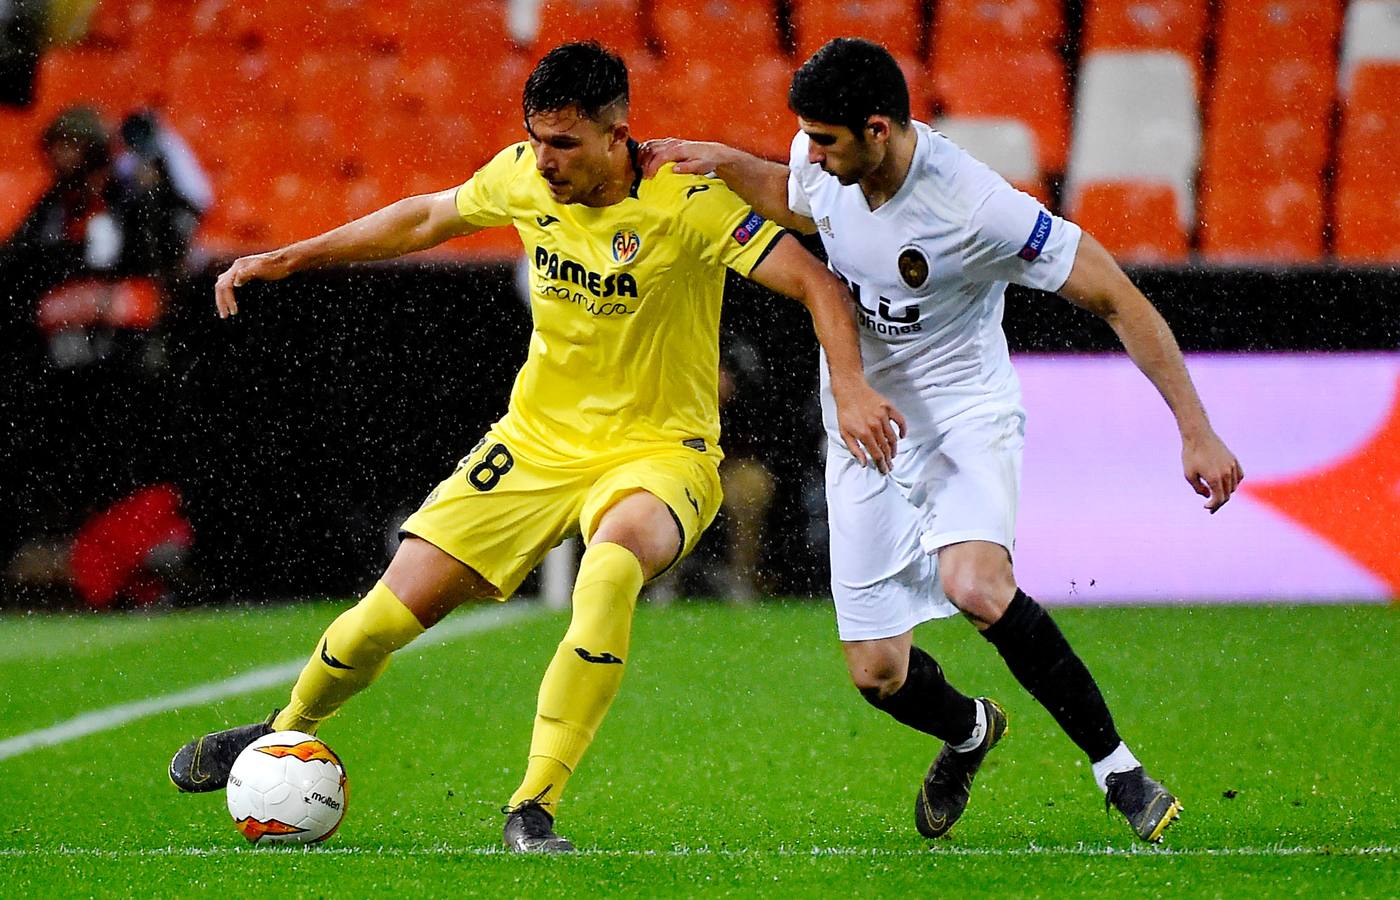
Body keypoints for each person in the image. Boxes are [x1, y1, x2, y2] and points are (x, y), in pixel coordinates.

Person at [166, 42, 903, 853]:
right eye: (537, 139)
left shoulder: (688, 201)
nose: (544, 160)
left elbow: (816, 281)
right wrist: (291, 256)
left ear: (618, 131)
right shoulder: (521, 175)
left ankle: (533, 806)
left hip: (659, 452)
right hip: (535, 445)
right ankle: (281, 730)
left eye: (565, 143)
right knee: (378, 619)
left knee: (612, 566)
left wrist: (851, 388)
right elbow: (423, 217)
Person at [641, 37, 1243, 845]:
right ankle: (969, 732)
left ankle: (1120, 771)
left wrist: (1195, 429)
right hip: (863, 430)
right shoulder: (827, 163)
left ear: (880, 129)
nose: (811, 154)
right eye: (808, 138)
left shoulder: (976, 206)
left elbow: (1115, 296)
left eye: (827, 140)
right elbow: (797, 197)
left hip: (963, 416)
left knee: (976, 584)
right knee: (877, 674)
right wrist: (720, 161)